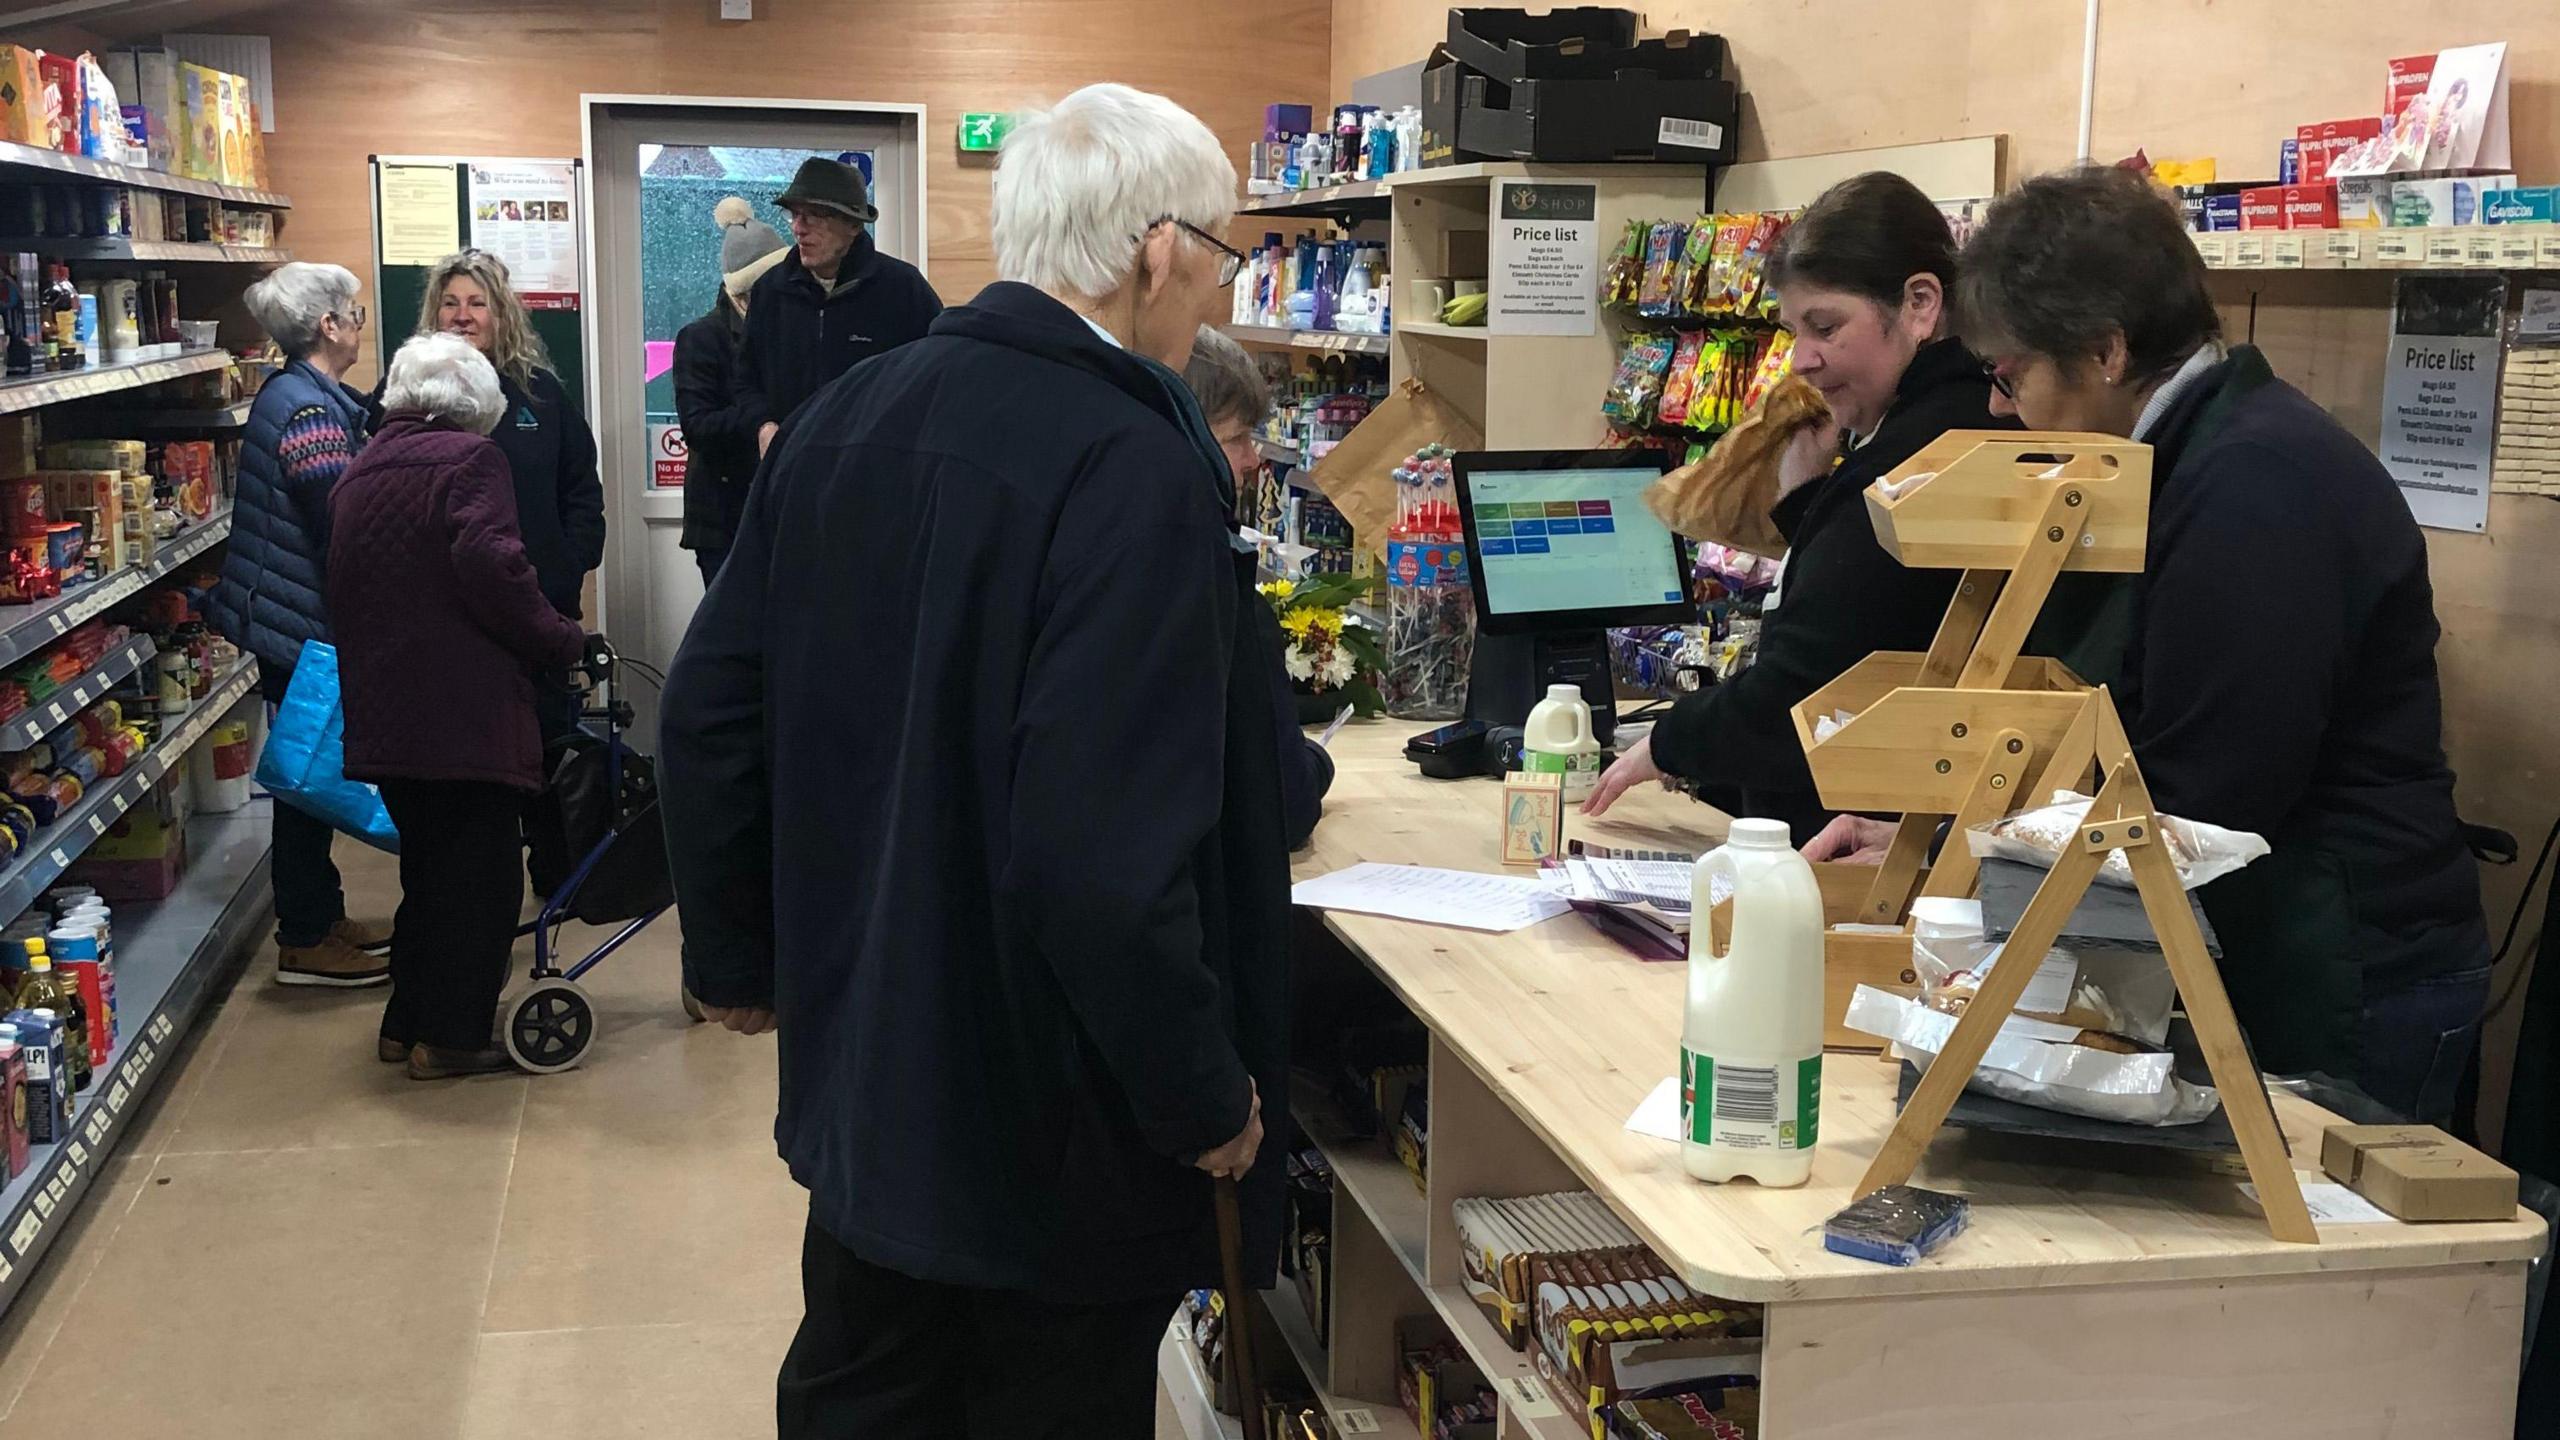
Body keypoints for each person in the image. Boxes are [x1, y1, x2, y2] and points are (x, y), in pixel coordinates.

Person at [660, 84, 1284, 1437]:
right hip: (1048, 1126)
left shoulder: (849, 412)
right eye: (1224, 261)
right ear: (1158, 251)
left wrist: (739, 956)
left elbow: (709, 706)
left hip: (874, 1078)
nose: (1217, 305)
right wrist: (1202, 1095)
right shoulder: (1133, 463)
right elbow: (1098, 857)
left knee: (861, 1382)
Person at [1814, 165, 2489, 1124]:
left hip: (2337, 969)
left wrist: (1993, 850)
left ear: (2106, 349)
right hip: (2274, 942)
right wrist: (1956, 841)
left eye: (2009, 375)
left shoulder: (2253, 488)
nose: (2000, 409)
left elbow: (2202, 793)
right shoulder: (2174, 463)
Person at [1583, 172, 2013, 843]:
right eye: (1793, 331)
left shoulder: (1925, 451)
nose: (1802, 361)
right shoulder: (1919, 429)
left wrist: (1672, 741)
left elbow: (1811, 688)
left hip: (1850, 855)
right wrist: (1808, 493)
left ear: (1920, 304)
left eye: (1825, 326)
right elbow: (1870, 608)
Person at [328, 334, 594, 1080]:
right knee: (479, 880)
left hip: (386, 707)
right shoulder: (471, 461)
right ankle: (452, 1038)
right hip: (462, 711)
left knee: (428, 873)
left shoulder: (363, 466)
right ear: (476, 407)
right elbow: (493, 568)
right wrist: (561, 638)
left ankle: (405, 1021)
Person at [207, 261, 391, 988]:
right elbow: (339, 513)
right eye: (355, 312)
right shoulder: (309, 412)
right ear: (329, 325)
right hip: (297, 617)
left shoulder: (301, 394)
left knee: (304, 767)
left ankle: (321, 913)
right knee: (306, 775)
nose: (359, 325)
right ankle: (306, 935)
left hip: (282, 609)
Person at [1184, 322, 1335, 848]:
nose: (1253, 459)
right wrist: (1314, 763)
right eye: (1235, 439)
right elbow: (1282, 804)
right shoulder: (1214, 589)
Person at [411, 249, 605, 625]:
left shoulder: (540, 394)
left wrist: (569, 564)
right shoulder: (410, 394)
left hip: (538, 601)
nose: (462, 316)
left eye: (477, 304)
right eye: (449, 304)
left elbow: (580, 489)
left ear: (500, 316)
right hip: (442, 608)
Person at [733, 157, 943, 454]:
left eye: (814, 216)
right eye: (793, 215)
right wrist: (763, 426)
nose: (798, 228)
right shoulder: (771, 290)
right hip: (789, 470)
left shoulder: (902, 289)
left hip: (874, 472)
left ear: (853, 224)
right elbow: (746, 379)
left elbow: (936, 377)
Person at [676, 197, 788, 586]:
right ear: (743, 293)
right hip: (724, 520)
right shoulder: (701, 339)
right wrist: (764, 419)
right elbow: (698, 425)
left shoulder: (792, 334)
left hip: (784, 512)